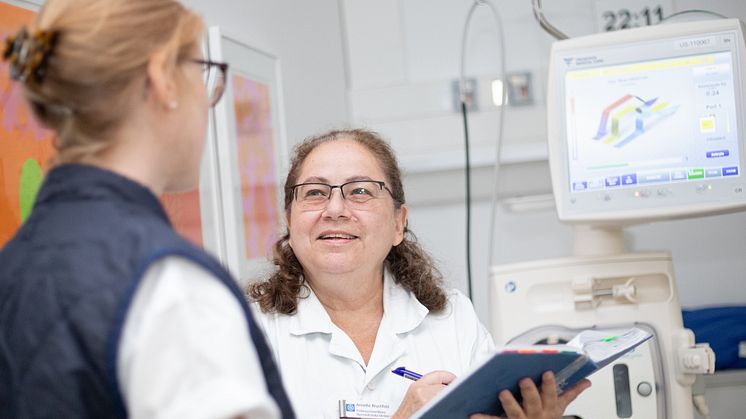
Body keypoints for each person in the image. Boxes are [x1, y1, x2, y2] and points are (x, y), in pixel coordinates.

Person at [0, 1, 294, 418]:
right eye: (201, 70)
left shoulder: (14, 264)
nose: (208, 99)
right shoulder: (171, 287)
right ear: (162, 78)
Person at [249, 129, 590, 418]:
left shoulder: (453, 320)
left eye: (360, 191)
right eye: (315, 193)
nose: (335, 209)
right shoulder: (249, 333)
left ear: (399, 223)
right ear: (290, 222)